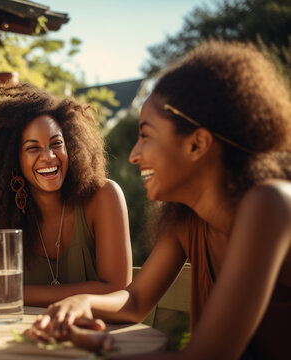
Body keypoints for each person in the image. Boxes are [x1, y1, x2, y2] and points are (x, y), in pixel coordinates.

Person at [31, 40, 291, 358]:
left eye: (145, 135)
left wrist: (100, 352)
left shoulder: (271, 204)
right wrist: (82, 301)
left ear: (196, 144)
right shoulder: (186, 215)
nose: (133, 155)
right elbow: (135, 301)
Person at [0, 82, 132, 307]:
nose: (49, 156)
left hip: (96, 335)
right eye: (33, 148)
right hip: (23, 336)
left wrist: (7, 292)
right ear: (12, 159)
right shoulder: (2, 210)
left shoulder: (103, 197)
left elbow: (116, 288)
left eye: (56, 144)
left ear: (70, 147)